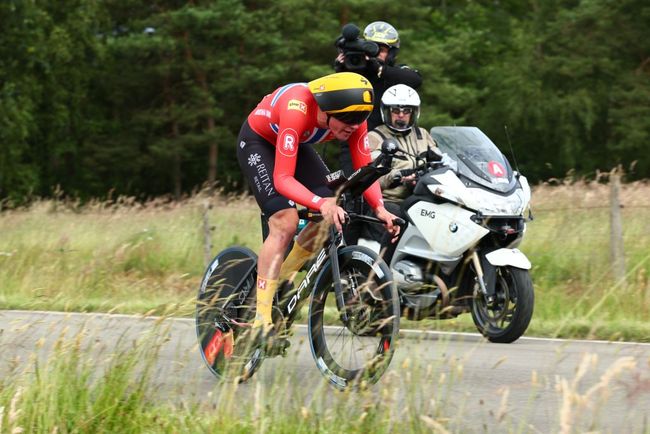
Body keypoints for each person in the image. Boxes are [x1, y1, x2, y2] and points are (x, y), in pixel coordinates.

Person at [237, 71, 400, 348]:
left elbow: (364, 170)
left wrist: (380, 209)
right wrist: (321, 203)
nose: (353, 126)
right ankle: (260, 321)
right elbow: (283, 179)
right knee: (285, 222)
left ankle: (284, 279)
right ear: (325, 111)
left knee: (329, 213)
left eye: (359, 120)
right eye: (347, 120)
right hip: (259, 142)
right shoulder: (296, 108)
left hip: (297, 144)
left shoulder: (353, 118)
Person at [334, 21, 422, 244]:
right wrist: (341, 69)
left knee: (389, 201)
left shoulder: (394, 73)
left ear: (392, 52)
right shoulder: (355, 72)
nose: (374, 54)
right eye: (371, 47)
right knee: (351, 196)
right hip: (354, 143)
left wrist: (379, 69)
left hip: (390, 146)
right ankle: (346, 256)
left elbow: (415, 80)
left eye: (381, 49)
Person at [366, 84, 440, 263]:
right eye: (396, 110)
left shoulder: (423, 135)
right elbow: (372, 175)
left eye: (406, 110)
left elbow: (442, 159)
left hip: (421, 197)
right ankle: (379, 275)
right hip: (388, 201)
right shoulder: (375, 137)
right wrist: (397, 177)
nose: (401, 115)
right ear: (387, 112)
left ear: (414, 112)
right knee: (401, 219)